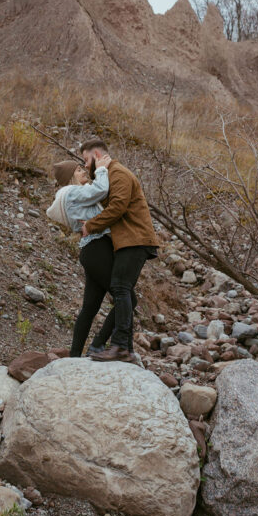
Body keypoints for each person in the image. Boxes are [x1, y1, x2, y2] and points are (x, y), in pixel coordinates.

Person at [47, 153, 137, 358]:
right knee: (129, 297)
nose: (83, 171)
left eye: (82, 168)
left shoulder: (72, 194)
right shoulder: (71, 191)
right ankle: (98, 344)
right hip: (97, 248)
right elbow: (100, 190)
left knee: (90, 307)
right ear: (70, 176)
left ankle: (75, 356)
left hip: (93, 250)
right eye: (78, 170)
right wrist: (102, 169)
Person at [79, 139, 160, 363]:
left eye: (87, 160)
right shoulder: (110, 174)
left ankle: (121, 347)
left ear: (96, 154)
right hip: (128, 240)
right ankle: (126, 349)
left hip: (135, 240)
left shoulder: (119, 173)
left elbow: (117, 207)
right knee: (121, 289)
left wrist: (90, 225)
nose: (86, 165)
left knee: (121, 288)